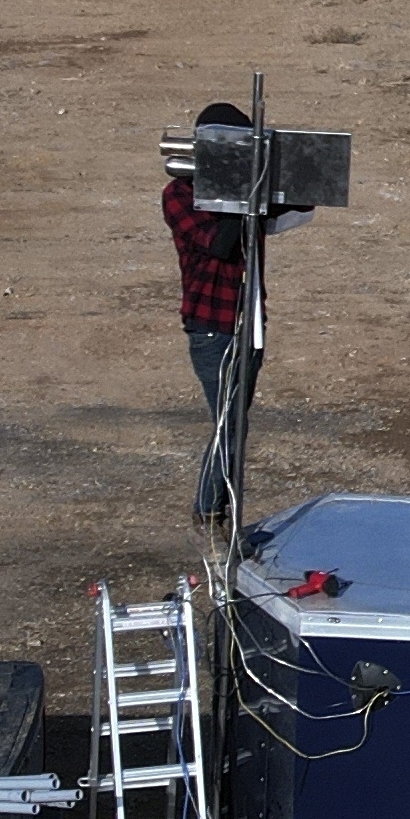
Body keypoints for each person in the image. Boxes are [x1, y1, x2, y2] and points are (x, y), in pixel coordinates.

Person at [161, 111, 256, 522]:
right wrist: (244, 189)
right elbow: (218, 242)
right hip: (210, 326)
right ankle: (209, 509)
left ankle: (218, 508)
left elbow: (301, 207)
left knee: (234, 421)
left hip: (246, 321)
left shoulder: (244, 194)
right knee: (229, 422)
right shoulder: (180, 194)